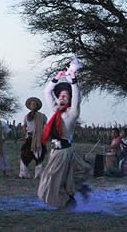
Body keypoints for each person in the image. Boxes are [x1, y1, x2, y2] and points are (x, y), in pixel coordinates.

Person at [37, 69, 91, 209]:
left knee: (50, 178)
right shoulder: (55, 110)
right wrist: (56, 78)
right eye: (60, 95)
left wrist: (73, 79)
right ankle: (69, 200)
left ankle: (65, 201)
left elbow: (77, 98)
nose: (62, 97)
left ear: (69, 98)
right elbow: (47, 92)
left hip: (64, 150)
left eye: (66, 95)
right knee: (60, 179)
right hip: (55, 151)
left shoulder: (72, 113)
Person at [19, 97, 47, 179]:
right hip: (29, 138)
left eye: (34, 104)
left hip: (38, 139)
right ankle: (23, 174)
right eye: (31, 104)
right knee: (25, 155)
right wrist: (26, 134)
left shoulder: (42, 116)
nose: (33, 106)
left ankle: (39, 174)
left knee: (39, 155)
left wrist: (42, 134)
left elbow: (46, 126)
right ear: (29, 106)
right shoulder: (27, 116)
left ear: (37, 106)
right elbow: (24, 126)